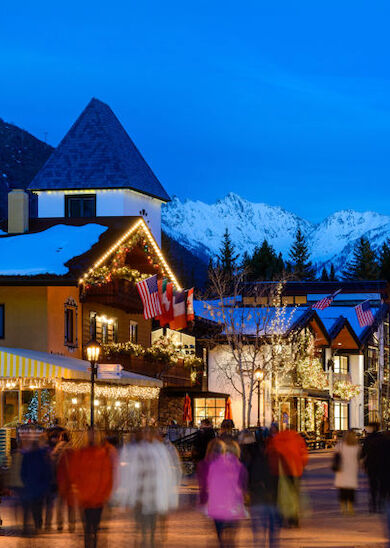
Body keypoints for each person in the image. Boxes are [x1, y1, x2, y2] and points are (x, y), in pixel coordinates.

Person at [115, 429, 181, 547]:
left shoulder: (158, 450)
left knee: (151, 518)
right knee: (143, 518)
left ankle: (149, 537)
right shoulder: (141, 450)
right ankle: (146, 537)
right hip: (142, 494)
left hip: (152, 494)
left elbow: (164, 472)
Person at [68, 429, 114, 548]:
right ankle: (92, 543)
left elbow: (74, 475)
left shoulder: (84, 454)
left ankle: (90, 543)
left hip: (90, 498)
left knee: (89, 527)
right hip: (91, 498)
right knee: (91, 527)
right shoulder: (99, 454)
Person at [240, 430, 280, 547]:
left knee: (258, 532)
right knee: (272, 530)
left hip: (257, 499)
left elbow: (246, 479)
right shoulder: (269, 456)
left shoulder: (248, 460)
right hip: (271, 497)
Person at [206, 438, 247, 547]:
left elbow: (210, 482)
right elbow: (243, 485)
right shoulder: (238, 466)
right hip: (233, 505)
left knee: (221, 537)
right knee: (231, 536)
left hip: (217, 505)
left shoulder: (214, 465)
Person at [266, 428, 308, 527]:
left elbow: (269, 454)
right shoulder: (297, 439)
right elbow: (304, 454)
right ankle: (293, 519)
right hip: (295, 470)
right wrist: (301, 465)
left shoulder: (276, 439)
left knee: (280, 494)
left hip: (278, 471)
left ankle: (280, 516)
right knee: (294, 495)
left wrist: (272, 468)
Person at [20, 439, 52, 534]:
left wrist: (26, 483)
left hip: (31, 487)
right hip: (40, 488)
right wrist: (46, 485)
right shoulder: (42, 457)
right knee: (38, 508)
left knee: (33, 508)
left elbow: (23, 472)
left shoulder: (27, 457)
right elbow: (47, 472)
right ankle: (38, 525)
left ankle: (33, 525)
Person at [333, 430, 361, 515]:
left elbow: (336, 456)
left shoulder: (340, 446)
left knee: (343, 489)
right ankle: (350, 507)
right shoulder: (357, 447)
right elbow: (359, 457)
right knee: (351, 489)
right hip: (352, 470)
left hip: (342, 469)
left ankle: (343, 507)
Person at [55, 431, 76, 532]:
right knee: (71, 505)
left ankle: (60, 524)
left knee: (60, 504)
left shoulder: (58, 449)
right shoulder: (72, 450)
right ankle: (72, 525)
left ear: (62, 438)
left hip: (61, 480)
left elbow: (56, 465)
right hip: (71, 481)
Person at [361, 422, 383, 512]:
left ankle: (373, 504)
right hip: (382, 464)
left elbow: (363, 453)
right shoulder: (382, 438)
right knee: (381, 484)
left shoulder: (368, 439)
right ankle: (379, 503)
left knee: (373, 485)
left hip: (371, 464)